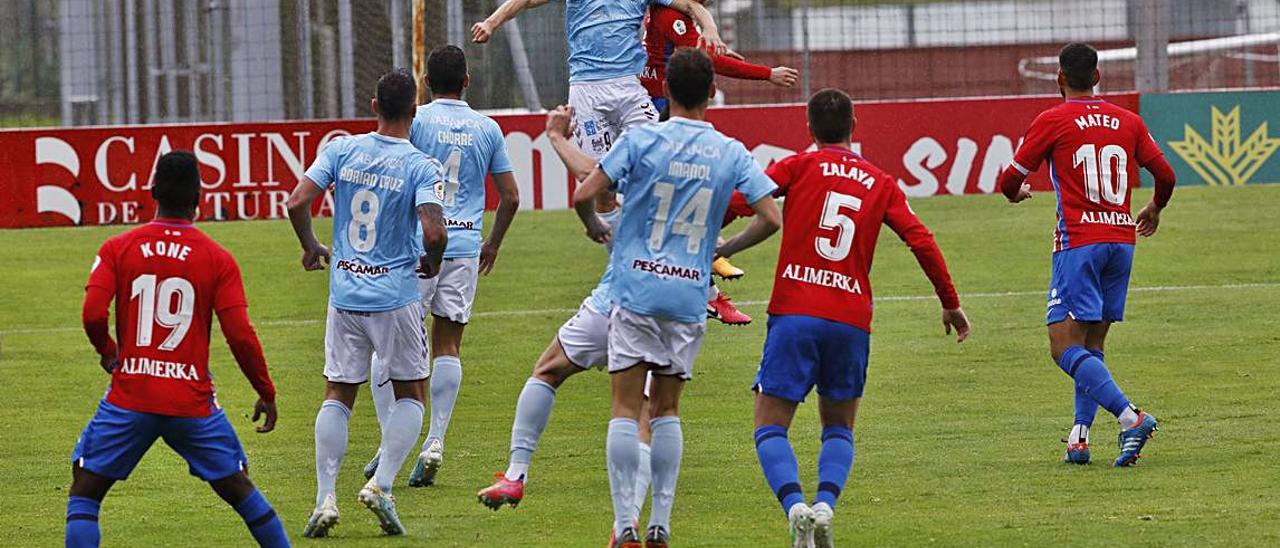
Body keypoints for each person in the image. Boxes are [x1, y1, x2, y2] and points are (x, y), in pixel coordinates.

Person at [573, 47, 782, 548]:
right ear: (712, 92)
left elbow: (585, 194)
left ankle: (625, 523)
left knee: (626, 408)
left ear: (664, 91)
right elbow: (771, 217)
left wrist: (596, 226)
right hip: (688, 294)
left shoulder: (641, 138)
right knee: (666, 410)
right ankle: (660, 523)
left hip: (636, 290)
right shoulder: (731, 151)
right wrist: (722, 246)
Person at [751, 89, 970, 548]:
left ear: (809, 130)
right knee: (837, 427)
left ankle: (795, 509)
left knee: (771, 427)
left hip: (794, 313)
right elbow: (922, 241)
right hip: (850, 320)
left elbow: (742, 197)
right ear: (856, 127)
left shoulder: (796, 165)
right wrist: (949, 302)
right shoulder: (880, 181)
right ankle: (826, 505)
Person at [70, 151, 287, 548]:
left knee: (85, 491)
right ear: (199, 198)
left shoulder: (118, 247)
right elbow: (240, 334)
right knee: (239, 489)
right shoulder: (218, 258)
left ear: (152, 192)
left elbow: (92, 314)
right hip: (191, 403)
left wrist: (107, 349)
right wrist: (266, 391)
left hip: (130, 396)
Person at [995, 43, 1175, 467]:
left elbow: (1010, 179)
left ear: (1060, 78)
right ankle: (1079, 437)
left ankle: (1131, 418)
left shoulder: (1053, 120)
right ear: (1097, 77)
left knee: (1062, 347)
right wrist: (1154, 207)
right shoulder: (1127, 120)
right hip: (1121, 242)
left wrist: (1016, 194)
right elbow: (1165, 175)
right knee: (1091, 344)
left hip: (1079, 243)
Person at [286, 68, 448, 537]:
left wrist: (312, 245)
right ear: (414, 113)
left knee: (338, 393)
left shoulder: (341, 149)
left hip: (345, 295)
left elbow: (298, 201)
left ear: (374, 107)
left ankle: (324, 499)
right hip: (395, 297)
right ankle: (381, 485)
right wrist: (432, 262)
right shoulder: (421, 164)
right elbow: (435, 230)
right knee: (412, 393)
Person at [362, 45, 521, 489]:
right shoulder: (487, 128)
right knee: (447, 343)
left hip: (417, 249)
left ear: (426, 84)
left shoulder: (418, 123)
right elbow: (510, 196)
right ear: (467, 81)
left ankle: (388, 444)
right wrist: (492, 241)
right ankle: (435, 441)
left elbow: (395, 171)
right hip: (465, 247)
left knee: (387, 348)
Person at [476, 105, 622, 511]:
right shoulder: (712, 154)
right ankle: (643, 521)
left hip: (621, 299)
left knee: (548, 371)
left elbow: (592, 185)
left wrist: (557, 137)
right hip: (675, 308)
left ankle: (516, 474)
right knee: (654, 412)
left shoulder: (642, 148)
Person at [641, 0, 799, 327]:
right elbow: (704, 62)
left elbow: (704, 59)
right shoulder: (673, 15)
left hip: (661, 108)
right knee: (679, 200)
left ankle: (709, 273)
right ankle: (710, 286)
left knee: (681, 199)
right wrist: (768, 74)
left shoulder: (673, 12)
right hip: (661, 111)